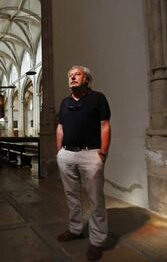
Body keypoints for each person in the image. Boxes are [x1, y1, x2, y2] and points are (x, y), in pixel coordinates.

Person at [56, 65, 111, 261]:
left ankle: (97, 241)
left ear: (86, 78)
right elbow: (60, 127)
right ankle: (75, 229)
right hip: (67, 155)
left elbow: (105, 125)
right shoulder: (64, 103)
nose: (72, 77)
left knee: (96, 200)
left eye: (77, 74)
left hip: (90, 154)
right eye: (70, 75)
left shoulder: (98, 98)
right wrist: (59, 152)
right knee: (71, 196)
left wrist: (103, 153)